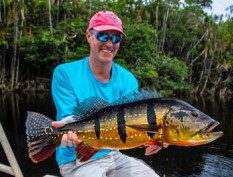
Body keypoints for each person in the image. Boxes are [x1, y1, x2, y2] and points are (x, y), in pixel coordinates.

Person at [51, 11, 167, 177]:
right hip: (76, 159)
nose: (110, 43)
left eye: (116, 38)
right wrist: (65, 132)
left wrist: (158, 138)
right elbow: (70, 120)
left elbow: (128, 129)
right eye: (103, 36)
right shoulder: (65, 73)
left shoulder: (128, 80)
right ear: (89, 36)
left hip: (113, 155)